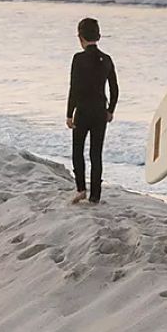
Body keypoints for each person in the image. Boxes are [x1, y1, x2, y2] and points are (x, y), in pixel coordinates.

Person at [65, 17, 119, 205]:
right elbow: (115, 88)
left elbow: (74, 87)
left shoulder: (78, 59)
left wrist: (69, 113)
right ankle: (95, 194)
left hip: (83, 111)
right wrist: (110, 110)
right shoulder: (107, 59)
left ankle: (81, 189)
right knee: (96, 154)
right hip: (99, 112)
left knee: (78, 150)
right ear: (99, 36)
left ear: (80, 37)